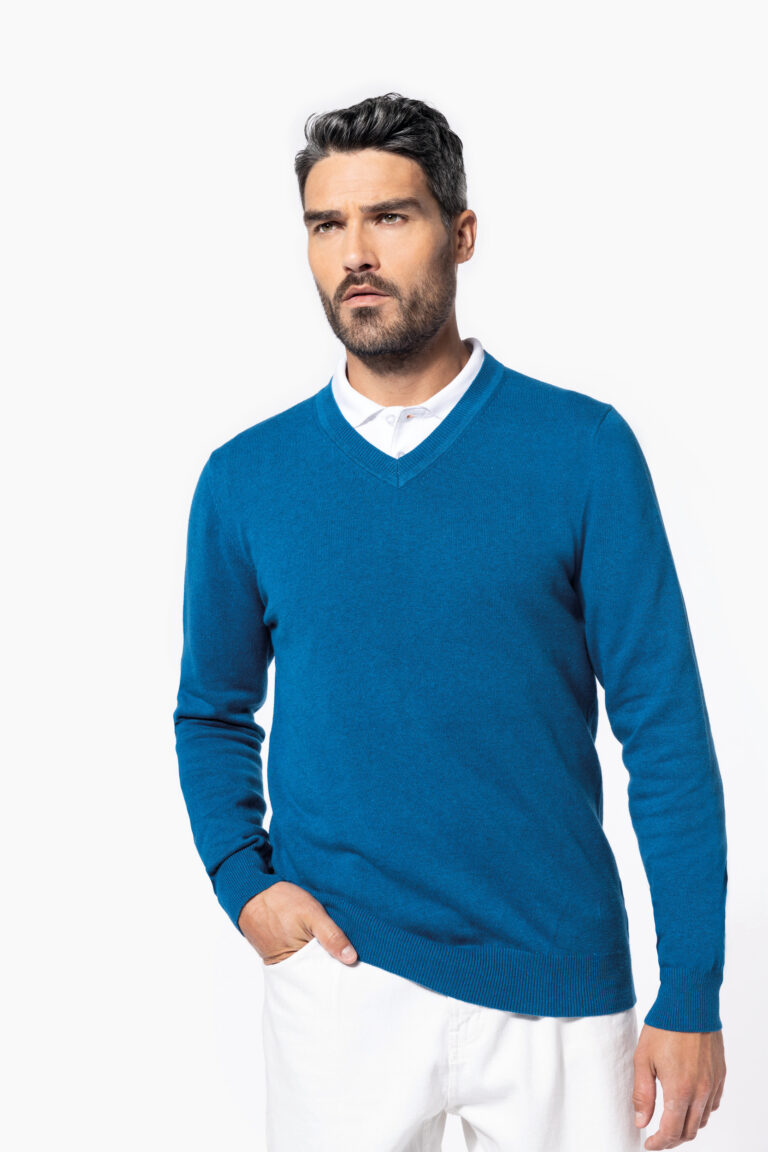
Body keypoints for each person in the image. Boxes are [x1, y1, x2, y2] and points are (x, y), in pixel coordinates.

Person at [172, 92, 728, 1151]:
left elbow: (663, 730)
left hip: (558, 986)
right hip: (342, 981)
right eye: (327, 225)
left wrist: (692, 987)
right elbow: (211, 711)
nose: (356, 253)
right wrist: (246, 885)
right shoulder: (247, 480)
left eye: (390, 216)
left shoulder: (582, 451)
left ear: (461, 233)